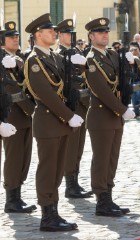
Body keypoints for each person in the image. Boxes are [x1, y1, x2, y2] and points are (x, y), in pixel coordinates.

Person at [24, 13, 84, 232]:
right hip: (48, 122)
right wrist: (69, 116)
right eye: (49, 31)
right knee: (48, 169)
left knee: (58, 170)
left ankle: (54, 211)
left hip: (60, 123)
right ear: (38, 34)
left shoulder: (55, 57)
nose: (54, 33)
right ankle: (47, 216)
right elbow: (47, 95)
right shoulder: (34, 61)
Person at [84, 17, 135, 217]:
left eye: (106, 32)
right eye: (100, 32)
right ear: (91, 36)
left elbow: (122, 82)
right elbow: (102, 90)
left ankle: (109, 195)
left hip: (115, 117)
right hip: (100, 116)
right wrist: (123, 109)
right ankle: (101, 200)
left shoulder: (112, 56)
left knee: (112, 159)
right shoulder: (90, 60)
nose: (105, 35)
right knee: (101, 159)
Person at [1, 21, 37, 214]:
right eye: (11, 37)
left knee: (25, 157)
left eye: (17, 36)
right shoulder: (2, 60)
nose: (16, 39)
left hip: (26, 115)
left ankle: (18, 195)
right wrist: (32, 109)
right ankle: (11, 199)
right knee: (14, 157)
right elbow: (11, 90)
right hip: (12, 116)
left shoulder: (19, 58)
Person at [55, 19, 92, 199]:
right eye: (67, 33)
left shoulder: (77, 53)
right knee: (70, 147)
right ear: (60, 35)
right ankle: (70, 185)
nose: (70, 36)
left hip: (82, 105)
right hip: (69, 107)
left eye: (72, 33)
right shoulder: (58, 54)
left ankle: (75, 181)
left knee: (78, 146)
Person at [129, 41, 140, 117]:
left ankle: (138, 108)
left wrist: (135, 57)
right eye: (132, 50)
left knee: (138, 94)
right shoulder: (128, 60)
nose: (134, 52)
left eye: (136, 50)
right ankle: (136, 110)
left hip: (139, 81)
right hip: (131, 82)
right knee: (134, 96)